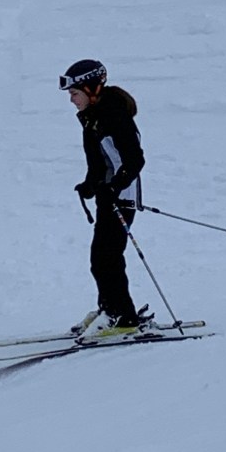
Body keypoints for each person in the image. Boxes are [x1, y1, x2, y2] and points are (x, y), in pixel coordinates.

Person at [59, 59, 145, 331]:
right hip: (108, 197)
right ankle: (109, 309)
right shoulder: (93, 118)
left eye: (75, 93)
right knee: (101, 259)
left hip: (122, 197)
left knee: (107, 259)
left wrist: (114, 186)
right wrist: (90, 184)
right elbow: (99, 162)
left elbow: (134, 160)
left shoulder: (114, 115)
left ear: (91, 89)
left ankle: (123, 317)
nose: (71, 100)